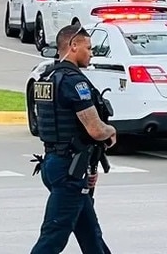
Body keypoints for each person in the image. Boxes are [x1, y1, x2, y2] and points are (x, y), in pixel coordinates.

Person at [31, 25, 117, 254]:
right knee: (52, 239)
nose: (91, 53)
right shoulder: (73, 82)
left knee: (92, 237)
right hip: (70, 170)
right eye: (88, 48)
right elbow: (95, 129)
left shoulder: (46, 77)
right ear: (73, 46)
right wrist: (111, 131)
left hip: (55, 163)